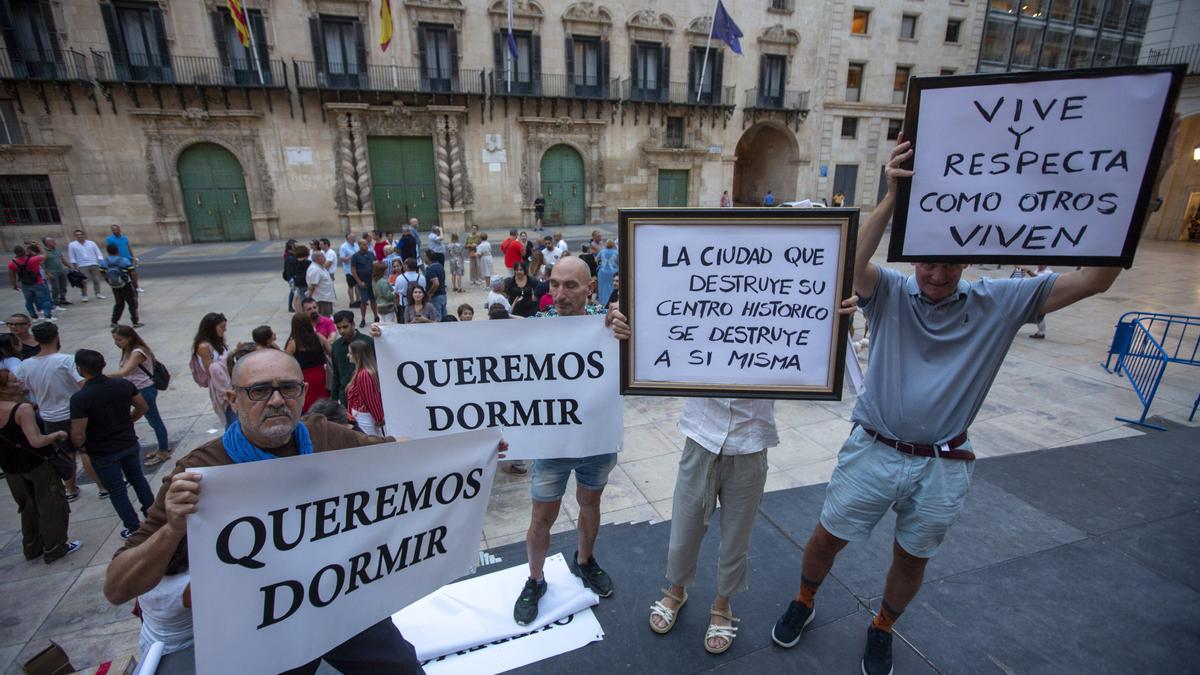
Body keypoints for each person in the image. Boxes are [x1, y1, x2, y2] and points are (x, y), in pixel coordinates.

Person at [770, 129, 1178, 675]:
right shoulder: (890, 292)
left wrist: (1131, 194)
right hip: (873, 448)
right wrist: (893, 195)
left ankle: (883, 626)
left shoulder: (1002, 301)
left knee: (912, 557)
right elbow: (849, 265)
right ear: (912, 259)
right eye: (927, 263)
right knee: (827, 535)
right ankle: (804, 599)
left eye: (950, 263)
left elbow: (1097, 279)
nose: (937, 274)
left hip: (941, 462)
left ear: (968, 260)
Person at [103, 348, 426, 674]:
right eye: (259, 390)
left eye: (288, 388)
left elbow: (396, 456)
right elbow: (118, 587)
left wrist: (439, 455)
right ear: (232, 398)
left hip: (337, 601)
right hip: (260, 626)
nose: (276, 400)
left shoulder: (322, 436)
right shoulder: (201, 472)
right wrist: (173, 528)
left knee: (401, 666)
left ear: (303, 394)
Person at [513, 256, 631, 626]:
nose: (559, 294)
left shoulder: (607, 324)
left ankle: (585, 561)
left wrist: (627, 330)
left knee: (589, 502)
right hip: (553, 443)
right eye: (553, 284)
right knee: (541, 516)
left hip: (596, 440)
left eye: (570, 286)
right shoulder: (537, 327)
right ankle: (535, 579)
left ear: (590, 287)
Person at [70, 349, 154, 539]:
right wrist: (129, 421)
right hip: (128, 442)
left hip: (102, 451)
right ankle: (153, 517)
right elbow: (142, 406)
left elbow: (78, 433)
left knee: (117, 490)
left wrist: (80, 446)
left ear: (80, 369)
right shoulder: (123, 385)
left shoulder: (80, 398)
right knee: (138, 480)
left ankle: (134, 528)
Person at [0, 368, 79, 563]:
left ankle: (32, 547)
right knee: (51, 504)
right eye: (14, 382)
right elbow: (36, 441)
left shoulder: (21, 405)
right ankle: (55, 547)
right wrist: (57, 435)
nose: (19, 383)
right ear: (4, 389)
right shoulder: (22, 410)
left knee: (27, 507)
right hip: (36, 464)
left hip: (11, 468)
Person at [21, 322, 104, 500]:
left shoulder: (25, 365)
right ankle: (102, 486)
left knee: (66, 454)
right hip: (76, 414)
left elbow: (23, 391)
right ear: (56, 336)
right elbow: (84, 384)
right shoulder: (66, 360)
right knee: (85, 450)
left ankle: (70, 490)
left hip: (50, 416)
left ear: (35, 339)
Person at [109, 326, 170, 467]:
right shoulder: (128, 351)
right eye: (115, 340)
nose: (117, 343)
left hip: (144, 390)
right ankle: (162, 447)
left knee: (155, 420)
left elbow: (124, 372)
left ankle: (164, 450)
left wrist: (100, 376)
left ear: (129, 338)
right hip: (136, 390)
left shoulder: (137, 352)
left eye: (119, 339)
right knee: (150, 420)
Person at [191, 313, 233, 427]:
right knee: (230, 415)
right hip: (220, 385)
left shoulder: (218, 341)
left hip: (228, 379)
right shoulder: (204, 347)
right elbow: (211, 370)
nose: (225, 330)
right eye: (222, 327)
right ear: (211, 328)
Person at [284, 312, 330, 413]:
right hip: (321, 375)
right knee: (323, 402)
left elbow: (286, 363)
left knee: (307, 403)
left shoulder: (293, 343)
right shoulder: (318, 337)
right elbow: (330, 351)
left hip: (304, 377)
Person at [330, 310, 373, 406]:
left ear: (353, 324)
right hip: (345, 398)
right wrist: (333, 400)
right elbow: (336, 375)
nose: (342, 331)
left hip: (366, 397)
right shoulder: (336, 347)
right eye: (338, 328)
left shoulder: (368, 342)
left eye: (345, 327)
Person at [345, 340, 384, 436]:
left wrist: (378, 418)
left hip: (364, 417)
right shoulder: (360, 372)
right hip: (361, 416)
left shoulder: (364, 374)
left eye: (350, 353)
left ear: (357, 355)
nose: (348, 355)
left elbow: (371, 399)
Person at [8, 245, 54, 322]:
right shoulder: (33, 259)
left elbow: (11, 275)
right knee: (44, 300)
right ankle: (48, 316)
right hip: (38, 282)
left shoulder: (12, 263)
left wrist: (14, 285)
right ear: (24, 252)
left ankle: (34, 317)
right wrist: (37, 248)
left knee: (28, 301)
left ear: (15, 253)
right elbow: (45, 255)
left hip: (25, 284)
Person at [101, 243, 141, 329]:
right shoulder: (124, 260)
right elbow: (132, 272)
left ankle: (114, 321)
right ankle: (135, 322)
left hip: (114, 286)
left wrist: (109, 281)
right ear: (117, 250)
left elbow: (102, 272)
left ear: (108, 251)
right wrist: (135, 284)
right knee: (132, 303)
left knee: (119, 303)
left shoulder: (104, 262)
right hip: (125, 285)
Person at [1011, 265, 1053, 338]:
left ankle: (1041, 333)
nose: (1039, 265)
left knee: (1039, 314)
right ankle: (1041, 332)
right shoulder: (1038, 269)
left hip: (1042, 295)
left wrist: (1028, 271)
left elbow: (1039, 279)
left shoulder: (1048, 272)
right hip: (1036, 294)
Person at [67, 229, 105, 302]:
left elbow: (98, 252)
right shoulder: (72, 245)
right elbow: (72, 256)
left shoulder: (91, 243)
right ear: (75, 236)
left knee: (96, 280)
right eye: (77, 235)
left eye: (81, 234)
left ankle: (98, 293)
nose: (79, 236)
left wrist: (100, 260)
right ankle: (84, 295)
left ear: (83, 235)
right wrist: (74, 265)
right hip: (82, 265)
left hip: (94, 263)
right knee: (84, 281)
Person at [351, 238, 380, 328]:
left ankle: (376, 317)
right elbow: (353, 270)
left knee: (373, 300)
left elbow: (375, 264)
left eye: (367, 244)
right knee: (363, 301)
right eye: (364, 245)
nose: (366, 246)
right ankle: (363, 319)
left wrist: (375, 278)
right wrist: (359, 282)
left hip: (372, 282)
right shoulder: (355, 256)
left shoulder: (371, 254)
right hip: (362, 283)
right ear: (359, 246)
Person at [105, 224, 143, 292]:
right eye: (113, 230)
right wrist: (112, 259)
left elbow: (128, 247)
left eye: (116, 229)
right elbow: (109, 249)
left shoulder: (125, 238)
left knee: (133, 273)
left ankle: (136, 287)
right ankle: (125, 288)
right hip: (119, 260)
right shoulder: (109, 239)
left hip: (128, 258)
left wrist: (133, 256)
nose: (115, 231)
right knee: (122, 274)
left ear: (119, 229)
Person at [41, 237, 70, 308]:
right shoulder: (44, 252)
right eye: (52, 241)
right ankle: (56, 301)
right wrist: (47, 273)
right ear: (47, 243)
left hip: (61, 270)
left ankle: (63, 299)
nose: (54, 242)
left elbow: (62, 259)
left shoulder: (57, 250)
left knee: (63, 286)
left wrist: (69, 265)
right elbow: (42, 264)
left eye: (54, 241)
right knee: (55, 287)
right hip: (52, 272)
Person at [306, 251, 337, 317]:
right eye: (323, 257)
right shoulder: (315, 270)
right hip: (321, 299)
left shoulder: (320, 267)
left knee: (327, 317)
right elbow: (312, 286)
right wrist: (309, 299)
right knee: (324, 318)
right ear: (317, 259)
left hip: (326, 298)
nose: (325, 258)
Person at [423, 249, 447, 319]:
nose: (424, 258)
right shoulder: (440, 265)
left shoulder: (430, 269)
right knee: (444, 317)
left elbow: (436, 283)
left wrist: (429, 293)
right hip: (443, 295)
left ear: (428, 257)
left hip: (436, 297)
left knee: (437, 318)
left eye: (424, 256)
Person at [338, 233, 360, 308]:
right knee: (351, 286)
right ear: (348, 239)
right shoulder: (343, 247)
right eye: (352, 237)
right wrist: (351, 257)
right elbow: (342, 258)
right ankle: (352, 302)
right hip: (349, 270)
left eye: (354, 237)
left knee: (358, 285)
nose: (354, 238)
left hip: (357, 269)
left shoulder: (356, 245)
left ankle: (358, 300)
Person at [290, 244, 312, 313]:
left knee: (299, 299)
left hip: (298, 284)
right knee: (307, 301)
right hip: (306, 284)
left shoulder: (293, 262)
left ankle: (301, 312)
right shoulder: (309, 263)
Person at [597, 240, 618, 308]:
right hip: (613, 272)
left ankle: (603, 301)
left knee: (603, 287)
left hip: (603, 272)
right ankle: (611, 300)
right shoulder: (616, 252)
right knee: (613, 287)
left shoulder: (602, 251)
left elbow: (596, 259)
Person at [282, 239, 299, 311]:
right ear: (292, 247)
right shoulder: (290, 257)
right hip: (292, 277)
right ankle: (290, 307)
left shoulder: (290, 255)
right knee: (293, 292)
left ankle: (290, 306)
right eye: (296, 245)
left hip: (290, 277)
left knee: (293, 291)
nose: (298, 246)